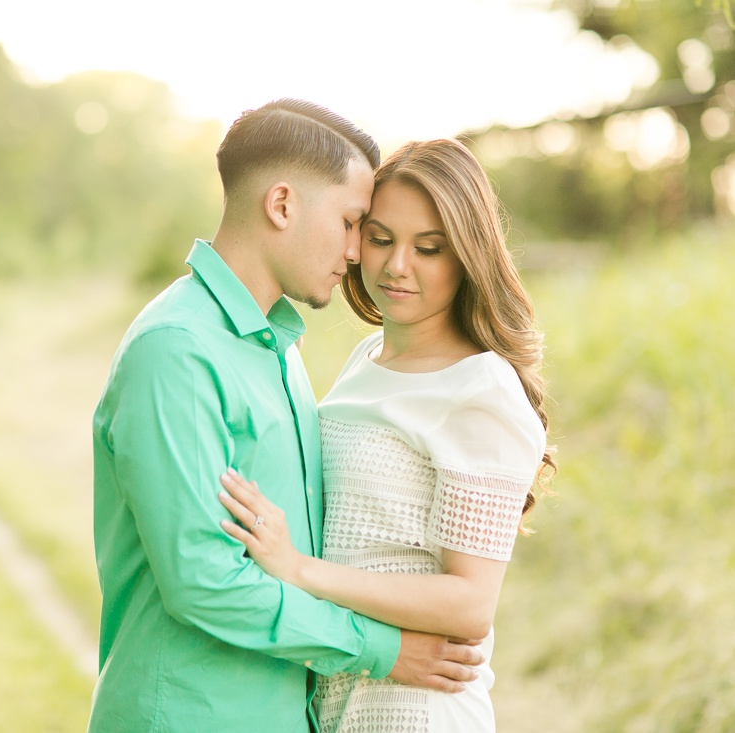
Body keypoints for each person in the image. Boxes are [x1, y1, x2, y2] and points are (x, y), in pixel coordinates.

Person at [89, 103, 483, 733]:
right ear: (281, 204)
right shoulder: (177, 349)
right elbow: (204, 582)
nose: (359, 253)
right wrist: (383, 651)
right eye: (352, 222)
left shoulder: (278, 349)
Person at [217, 138, 556, 732]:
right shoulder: (364, 357)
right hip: (339, 695)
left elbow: (471, 604)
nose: (398, 265)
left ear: (468, 256)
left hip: (416, 709)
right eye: (379, 239)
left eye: (429, 248)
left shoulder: (479, 389)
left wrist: (298, 568)